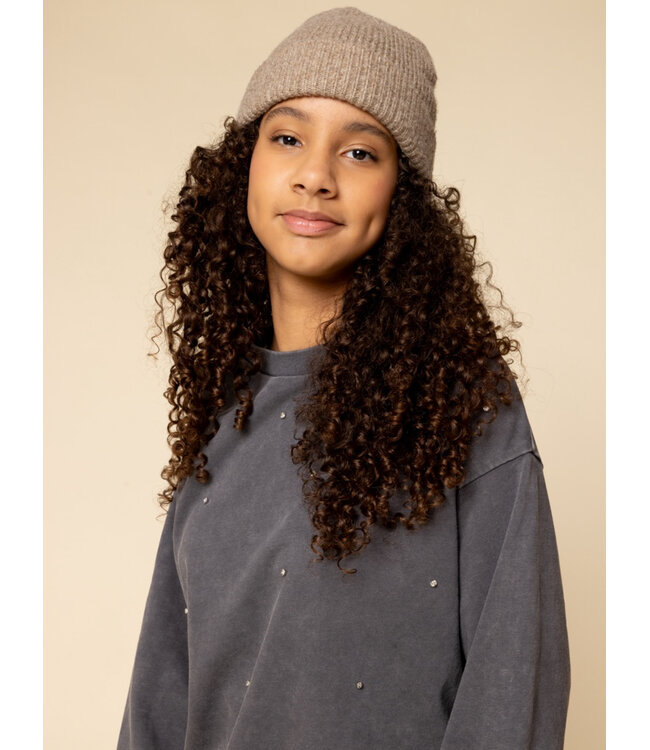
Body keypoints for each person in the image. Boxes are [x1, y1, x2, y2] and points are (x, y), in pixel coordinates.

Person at [117, 7, 570, 749]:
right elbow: (157, 701)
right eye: (287, 138)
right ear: (243, 165)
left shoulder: (464, 412)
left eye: (360, 152)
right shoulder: (221, 421)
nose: (315, 176)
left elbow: (513, 682)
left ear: (402, 199)